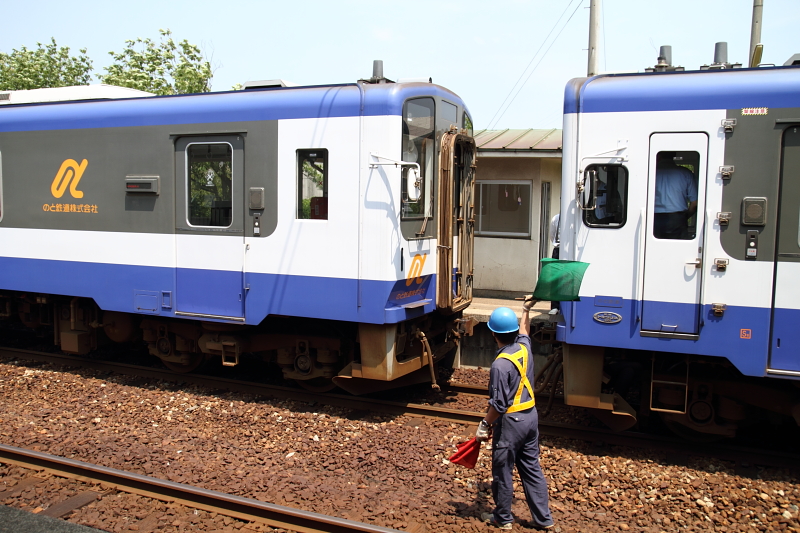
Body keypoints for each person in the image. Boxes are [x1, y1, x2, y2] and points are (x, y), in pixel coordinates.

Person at [477, 303, 554, 531]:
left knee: (502, 471)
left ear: (493, 334)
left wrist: (484, 424)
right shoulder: (523, 348)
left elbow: (499, 405)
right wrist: (526, 310)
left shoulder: (500, 365)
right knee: (531, 468)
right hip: (531, 418)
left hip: (511, 424)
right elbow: (525, 331)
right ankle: (543, 519)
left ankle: (503, 518)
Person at [653, 151, 698, 239]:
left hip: (653, 218)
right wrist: (684, 217)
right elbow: (695, 203)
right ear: (674, 155)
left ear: (659, 156)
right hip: (677, 219)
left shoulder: (650, 173)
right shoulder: (686, 173)